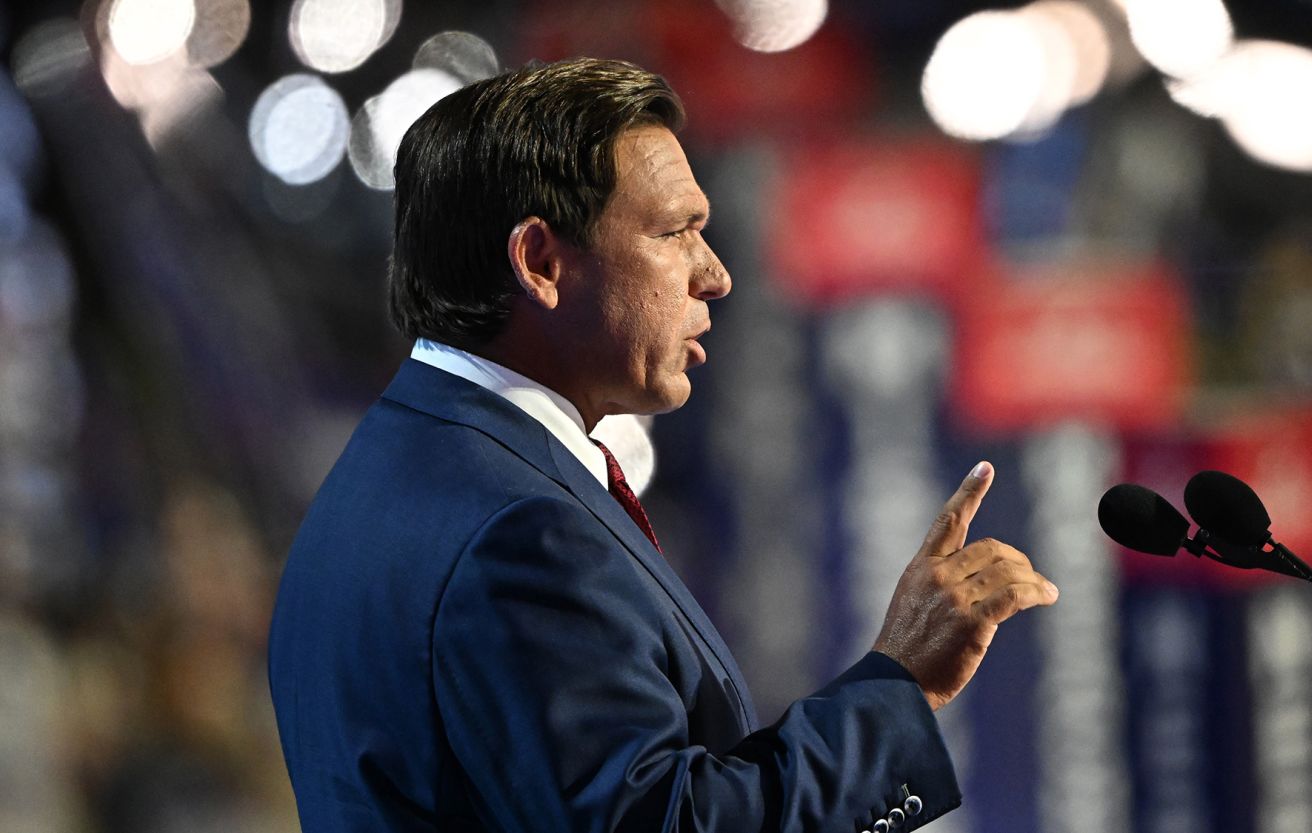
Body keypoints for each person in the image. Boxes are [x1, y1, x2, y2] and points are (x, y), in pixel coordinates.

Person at [268, 57, 1059, 833]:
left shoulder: (394, 462)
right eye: (676, 232)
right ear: (542, 261)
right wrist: (901, 685)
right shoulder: (518, 534)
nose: (714, 275)